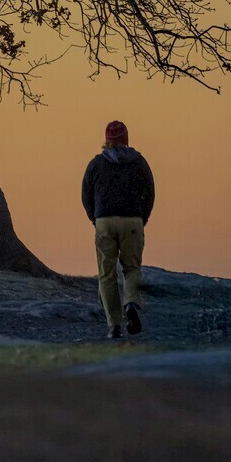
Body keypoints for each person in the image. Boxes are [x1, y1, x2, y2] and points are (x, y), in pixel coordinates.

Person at [81, 121, 155, 339]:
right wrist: (143, 218)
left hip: (104, 221)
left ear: (106, 140)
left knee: (106, 274)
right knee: (132, 268)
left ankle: (114, 325)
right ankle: (131, 302)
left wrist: (95, 218)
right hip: (132, 221)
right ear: (127, 139)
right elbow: (150, 193)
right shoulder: (139, 162)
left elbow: (85, 195)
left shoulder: (96, 164)